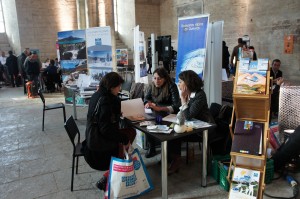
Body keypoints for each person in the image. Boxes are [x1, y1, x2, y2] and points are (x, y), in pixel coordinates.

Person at [84, 72, 136, 191]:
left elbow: (106, 120)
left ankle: (116, 168)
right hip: (98, 143)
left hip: (92, 136)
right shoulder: (105, 101)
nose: (120, 89)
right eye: (118, 86)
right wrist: (124, 139)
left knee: (130, 132)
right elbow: (106, 129)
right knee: (127, 137)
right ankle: (113, 172)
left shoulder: (98, 95)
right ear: (112, 86)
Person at [167, 70, 216, 174]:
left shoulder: (200, 95)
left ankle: (176, 161)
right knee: (170, 131)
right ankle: (172, 158)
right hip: (192, 126)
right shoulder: (187, 94)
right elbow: (179, 110)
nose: (178, 84)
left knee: (175, 135)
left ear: (187, 83)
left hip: (203, 129)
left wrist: (183, 100)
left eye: (180, 82)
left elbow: (188, 116)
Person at [144, 67, 181, 158]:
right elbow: (146, 98)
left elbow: (176, 106)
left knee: (164, 127)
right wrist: (147, 103)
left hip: (170, 114)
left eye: (159, 78)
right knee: (147, 124)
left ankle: (167, 155)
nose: (157, 81)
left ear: (165, 78)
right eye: (155, 78)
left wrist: (159, 108)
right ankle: (151, 148)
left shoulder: (172, 86)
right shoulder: (152, 85)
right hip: (156, 112)